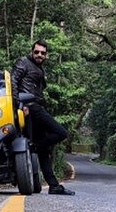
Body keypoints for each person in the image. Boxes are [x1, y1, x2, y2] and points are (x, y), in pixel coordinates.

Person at [11, 39, 75, 195]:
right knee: (61, 133)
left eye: (43, 53)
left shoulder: (39, 68)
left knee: (44, 150)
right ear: (31, 52)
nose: (39, 55)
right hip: (30, 107)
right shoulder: (23, 62)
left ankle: (53, 185)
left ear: (46, 55)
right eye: (37, 52)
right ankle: (36, 147)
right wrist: (20, 104)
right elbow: (12, 81)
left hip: (36, 107)